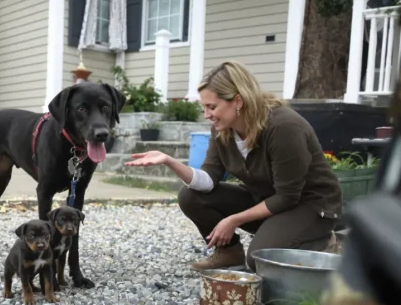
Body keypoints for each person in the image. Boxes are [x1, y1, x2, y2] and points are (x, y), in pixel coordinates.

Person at [125, 61, 342, 271]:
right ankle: (229, 254)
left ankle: (321, 243)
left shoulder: (283, 127)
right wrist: (169, 161)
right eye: (203, 107)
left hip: (310, 206)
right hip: (267, 201)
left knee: (259, 260)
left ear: (237, 101)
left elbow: (287, 197)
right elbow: (208, 180)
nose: (206, 115)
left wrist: (233, 220)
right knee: (190, 196)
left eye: (211, 107)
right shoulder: (222, 129)